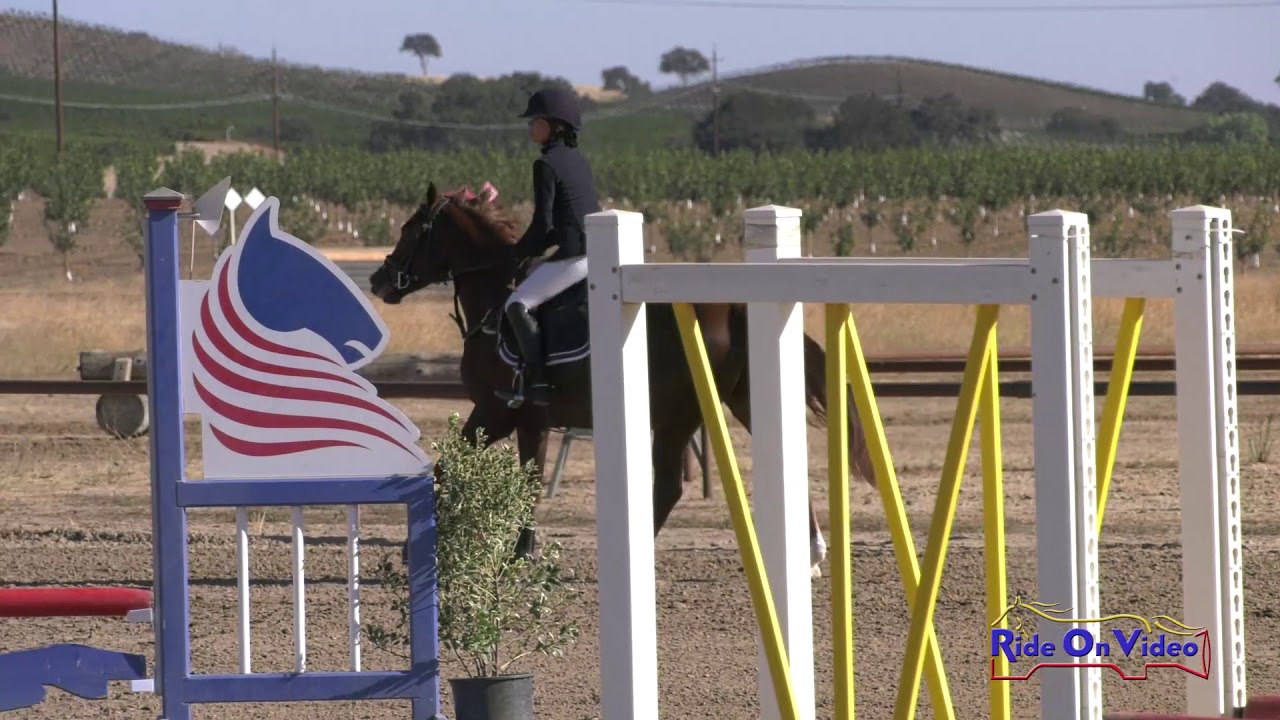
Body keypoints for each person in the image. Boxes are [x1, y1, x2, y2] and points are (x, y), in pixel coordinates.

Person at [498, 87, 601, 408]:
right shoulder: (577, 160)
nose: (530, 127)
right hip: (596, 250)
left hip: (576, 256)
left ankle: (538, 382)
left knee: (518, 305)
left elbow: (544, 225)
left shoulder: (546, 164)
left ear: (554, 125)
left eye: (536, 121)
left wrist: (516, 254)